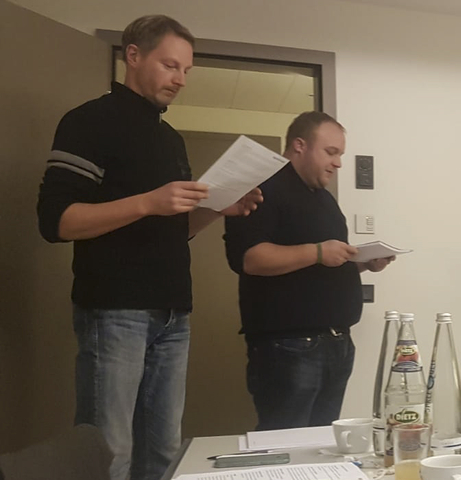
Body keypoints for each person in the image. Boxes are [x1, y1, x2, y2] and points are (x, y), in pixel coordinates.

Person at [37, 15, 261, 480]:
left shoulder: (170, 138)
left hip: (174, 315)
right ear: (133, 56)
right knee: (108, 455)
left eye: (186, 70)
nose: (180, 79)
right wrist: (147, 201)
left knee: (164, 452)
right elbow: (56, 221)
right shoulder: (87, 121)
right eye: (170, 65)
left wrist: (217, 209)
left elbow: (172, 230)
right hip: (114, 312)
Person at [224, 111, 395, 431]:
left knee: (320, 445)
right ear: (299, 146)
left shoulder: (324, 199)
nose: (338, 163)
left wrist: (361, 263)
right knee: (286, 443)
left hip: (337, 344)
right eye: (331, 152)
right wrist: (318, 252)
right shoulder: (261, 189)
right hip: (289, 346)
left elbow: (319, 265)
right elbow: (250, 259)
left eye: (340, 154)